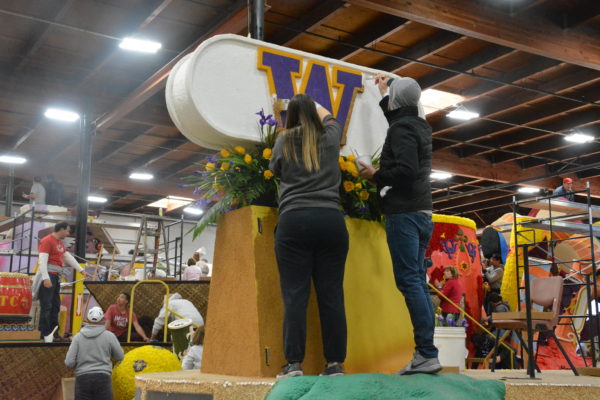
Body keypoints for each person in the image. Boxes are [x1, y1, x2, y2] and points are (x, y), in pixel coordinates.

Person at [359, 73, 441, 375]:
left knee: (409, 282)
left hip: (404, 213)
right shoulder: (417, 124)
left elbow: (405, 171)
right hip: (421, 212)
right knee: (417, 281)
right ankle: (426, 352)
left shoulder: (403, 129)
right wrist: (384, 93)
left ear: (397, 100)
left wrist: (375, 174)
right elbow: (399, 119)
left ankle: (426, 353)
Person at [269, 93, 349, 379]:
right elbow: (333, 119)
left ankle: (293, 364)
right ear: (315, 115)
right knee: (332, 295)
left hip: (294, 221)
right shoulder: (329, 137)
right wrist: (315, 105)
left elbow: (274, 170)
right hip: (331, 221)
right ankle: (335, 364)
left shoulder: (283, 140)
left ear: (290, 117)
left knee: (294, 295)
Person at [35, 222, 89, 342]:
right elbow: (42, 261)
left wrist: (81, 270)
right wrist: (46, 278)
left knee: (55, 306)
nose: (68, 233)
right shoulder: (47, 240)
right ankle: (44, 333)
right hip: (49, 275)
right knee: (47, 306)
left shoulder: (59, 243)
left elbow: (67, 257)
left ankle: (54, 333)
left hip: (56, 276)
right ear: (62, 229)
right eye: (68, 230)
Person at [65, 306, 124, 400]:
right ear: (102, 320)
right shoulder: (109, 336)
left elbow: (69, 362)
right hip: (103, 378)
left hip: (82, 379)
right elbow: (120, 356)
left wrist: (80, 365)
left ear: (87, 319)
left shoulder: (78, 337)